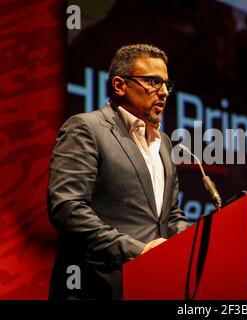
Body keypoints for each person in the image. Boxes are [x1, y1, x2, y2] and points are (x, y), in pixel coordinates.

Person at [47, 44, 189, 299]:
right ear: (119, 85)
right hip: (96, 288)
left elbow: (170, 213)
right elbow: (67, 208)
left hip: (154, 288)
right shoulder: (86, 128)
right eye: (153, 82)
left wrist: (191, 247)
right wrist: (138, 251)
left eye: (167, 84)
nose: (164, 92)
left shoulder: (164, 142)